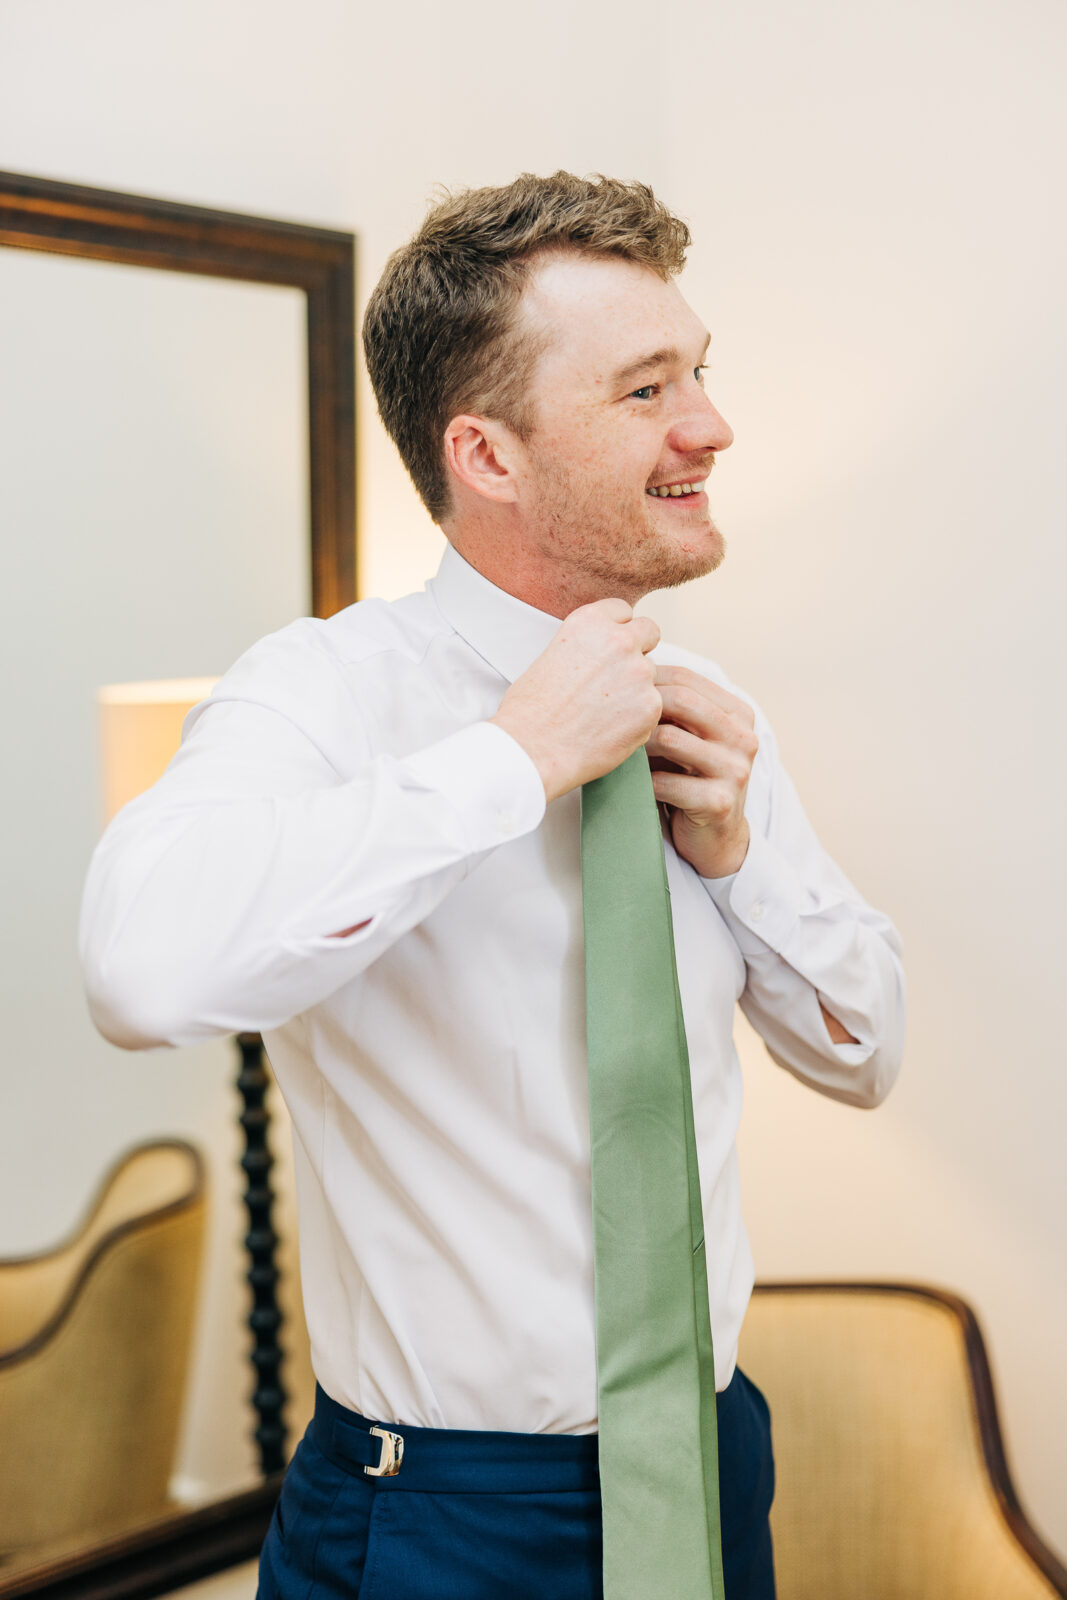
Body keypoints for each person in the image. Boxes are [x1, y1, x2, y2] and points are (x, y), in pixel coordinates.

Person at [80, 171, 905, 1600]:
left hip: (712, 1462)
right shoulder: (327, 693)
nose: (710, 423)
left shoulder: (699, 706)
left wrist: (747, 862)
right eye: (646, 389)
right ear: (489, 454)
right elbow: (139, 972)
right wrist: (509, 766)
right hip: (440, 1514)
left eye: (698, 371)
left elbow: (869, 1050)